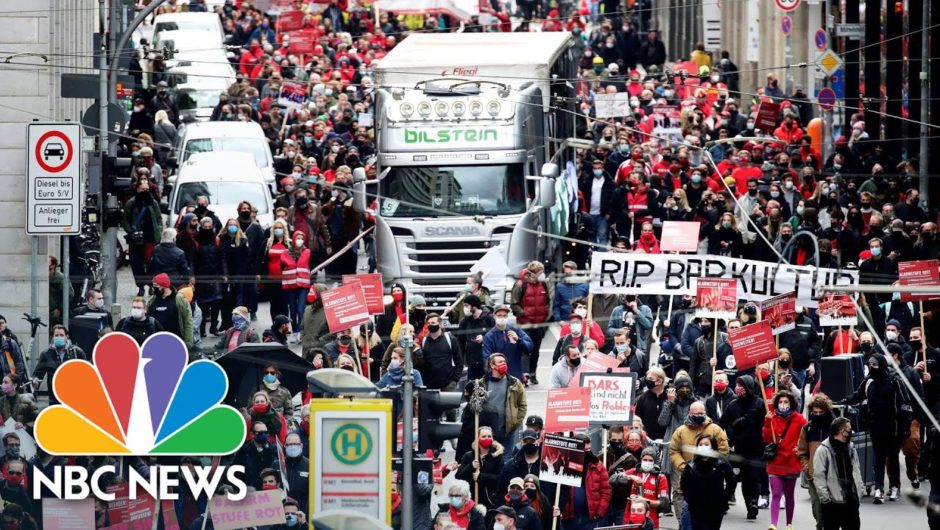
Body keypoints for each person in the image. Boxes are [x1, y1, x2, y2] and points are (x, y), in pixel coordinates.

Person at [843, 352, 913, 503]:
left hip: (894, 427)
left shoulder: (895, 381)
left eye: (875, 365)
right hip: (875, 425)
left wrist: (906, 426)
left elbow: (906, 404)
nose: (872, 367)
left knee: (893, 457)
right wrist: (844, 400)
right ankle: (879, 489)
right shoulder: (868, 381)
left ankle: (894, 487)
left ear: (881, 365)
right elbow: (858, 395)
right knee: (878, 458)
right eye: (870, 365)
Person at [669, 401, 730, 525]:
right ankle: (682, 524)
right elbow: (674, 450)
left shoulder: (715, 429)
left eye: (701, 413)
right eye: (695, 413)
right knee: (685, 505)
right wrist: (683, 466)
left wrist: (714, 465)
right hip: (688, 474)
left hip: (710, 478)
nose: (698, 415)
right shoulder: (680, 431)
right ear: (689, 413)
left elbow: (724, 450)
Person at [458, 353, 527, 461]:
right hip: (488, 432)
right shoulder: (481, 384)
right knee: (488, 459)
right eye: (500, 362)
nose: (503, 364)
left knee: (506, 458)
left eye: (504, 362)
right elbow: (473, 405)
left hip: (507, 430)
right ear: (492, 366)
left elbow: (522, 405)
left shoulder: (514, 383)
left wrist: (515, 423)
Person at [721, 374, 770, 519]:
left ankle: (753, 504)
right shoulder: (732, 405)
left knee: (753, 477)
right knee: (736, 478)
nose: (738, 389)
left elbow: (768, 425)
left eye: (741, 386)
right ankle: (728, 501)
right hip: (738, 450)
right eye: (736, 386)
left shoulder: (760, 404)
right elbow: (721, 424)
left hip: (757, 449)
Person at [763, 390, 807, 530]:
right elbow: (767, 439)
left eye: (786, 402)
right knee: (775, 493)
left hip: (791, 462)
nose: (783, 404)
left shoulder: (799, 419)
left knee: (789, 495)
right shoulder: (772, 418)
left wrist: (799, 448)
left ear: (791, 403)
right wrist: (767, 422)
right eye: (781, 402)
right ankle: (773, 524)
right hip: (775, 461)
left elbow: (806, 436)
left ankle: (789, 523)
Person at [813, 417, 863, 530]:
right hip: (833, 504)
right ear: (842, 431)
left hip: (851, 501)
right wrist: (826, 499)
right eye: (849, 429)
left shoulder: (851, 448)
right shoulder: (823, 450)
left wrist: (859, 492)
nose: (851, 432)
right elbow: (819, 476)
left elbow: (857, 470)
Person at [554, 433, 611, 527]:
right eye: (584, 450)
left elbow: (606, 491)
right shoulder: (563, 465)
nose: (587, 452)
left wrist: (600, 512)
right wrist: (559, 508)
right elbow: (557, 491)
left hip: (590, 519)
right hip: (569, 518)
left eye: (589, 449)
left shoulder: (598, 466)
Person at [680, 433, 735, 530]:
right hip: (697, 507)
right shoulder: (691, 464)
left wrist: (724, 498)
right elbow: (684, 483)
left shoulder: (721, 463)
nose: (703, 447)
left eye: (706, 444)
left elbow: (731, 481)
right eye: (700, 445)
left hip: (716, 507)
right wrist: (690, 499)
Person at [798, 394, 835, 530]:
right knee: (817, 511)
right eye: (815, 412)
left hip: (833, 476)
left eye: (821, 412)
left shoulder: (834, 428)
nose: (818, 415)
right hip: (814, 476)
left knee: (831, 510)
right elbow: (801, 452)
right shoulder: (807, 429)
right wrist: (807, 467)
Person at [510, 261, 551, 384]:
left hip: (539, 324)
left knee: (536, 350)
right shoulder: (520, 284)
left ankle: (533, 374)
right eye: (540, 272)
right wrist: (524, 314)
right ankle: (524, 375)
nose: (542, 274)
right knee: (525, 349)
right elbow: (514, 303)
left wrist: (545, 314)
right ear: (533, 273)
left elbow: (547, 301)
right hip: (525, 324)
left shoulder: (542, 285)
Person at [122, 176, 162, 295]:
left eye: (147, 189)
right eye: (142, 189)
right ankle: (140, 286)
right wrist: (130, 231)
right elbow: (125, 220)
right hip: (136, 239)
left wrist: (158, 231)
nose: (145, 191)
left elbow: (159, 218)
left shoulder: (153, 202)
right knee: (137, 264)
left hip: (150, 238)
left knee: (151, 263)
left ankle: (151, 284)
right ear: (137, 189)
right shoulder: (131, 203)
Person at [31, 325, 85, 404]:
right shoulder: (46, 354)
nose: (59, 337)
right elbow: (37, 374)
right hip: (54, 397)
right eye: (56, 335)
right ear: (52, 337)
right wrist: (35, 380)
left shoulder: (77, 352)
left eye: (61, 335)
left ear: (67, 336)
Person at [455, 426, 505, 509]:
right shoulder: (469, 456)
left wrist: (481, 476)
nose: (487, 438)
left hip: (490, 501)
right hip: (471, 500)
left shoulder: (497, 457)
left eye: (489, 436)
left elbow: (500, 478)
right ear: (477, 438)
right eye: (484, 436)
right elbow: (458, 476)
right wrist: (471, 466)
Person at [483, 305, 533, 382]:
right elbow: (487, 358)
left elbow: (529, 347)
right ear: (494, 316)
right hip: (499, 377)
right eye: (499, 315)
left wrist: (519, 340)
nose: (502, 318)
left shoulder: (515, 330)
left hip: (516, 376)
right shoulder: (489, 336)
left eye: (504, 315)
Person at [418, 313, 463, 395]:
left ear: (440, 324)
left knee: (449, 408)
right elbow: (422, 363)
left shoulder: (450, 339)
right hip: (429, 385)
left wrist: (455, 380)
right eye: (429, 323)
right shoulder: (424, 341)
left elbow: (458, 360)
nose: (430, 325)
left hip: (448, 385)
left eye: (433, 323)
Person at [194, 216, 223, 337]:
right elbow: (193, 259)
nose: (207, 229)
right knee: (203, 304)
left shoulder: (216, 240)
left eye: (209, 227)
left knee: (216, 302)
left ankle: (213, 327)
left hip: (215, 274)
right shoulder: (196, 241)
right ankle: (201, 329)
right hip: (201, 276)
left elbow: (221, 258)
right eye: (205, 227)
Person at [147, 273, 194, 349]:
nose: (153, 289)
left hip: (176, 343)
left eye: (156, 287)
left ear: (164, 286)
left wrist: (188, 343)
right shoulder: (152, 300)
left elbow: (188, 321)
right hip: (155, 344)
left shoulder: (179, 300)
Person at [457, 295, 494, 381]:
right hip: (472, 361)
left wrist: (484, 338)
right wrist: (460, 362)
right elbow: (460, 343)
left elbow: (495, 335)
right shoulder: (465, 321)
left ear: (474, 306)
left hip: (488, 360)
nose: (464, 308)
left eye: (466, 305)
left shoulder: (488, 318)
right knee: (473, 387)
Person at [280, 231, 312, 333]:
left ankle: (301, 332)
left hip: (303, 285)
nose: (300, 241)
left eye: (301, 238)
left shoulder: (307, 252)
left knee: (300, 309)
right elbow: (282, 267)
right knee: (293, 311)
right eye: (297, 238)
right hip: (290, 286)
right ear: (293, 239)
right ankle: (295, 331)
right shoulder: (285, 253)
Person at [233, 421, 279, 491]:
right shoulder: (244, 451)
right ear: (252, 434)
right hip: (251, 494)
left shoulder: (274, 450)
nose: (263, 435)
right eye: (260, 433)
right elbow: (236, 473)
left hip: (270, 493)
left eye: (266, 432)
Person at [499, 430, 541, 495]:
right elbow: (500, 492)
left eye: (532, 441)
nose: (529, 443)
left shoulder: (547, 467)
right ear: (521, 442)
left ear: (538, 441)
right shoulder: (510, 467)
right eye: (525, 441)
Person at [635, 367, 669, 440]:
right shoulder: (643, 398)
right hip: (647, 440)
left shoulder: (669, 397)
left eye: (650, 379)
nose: (647, 381)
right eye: (647, 379)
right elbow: (637, 420)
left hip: (666, 440)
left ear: (659, 381)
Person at [280, 433, 309, 513]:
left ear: (301, 445)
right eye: (289, 444)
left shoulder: (310, 465)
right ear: (285, 446)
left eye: (296, 444)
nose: (293, 446)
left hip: (302, 512)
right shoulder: (278, 464)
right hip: (281, 512)